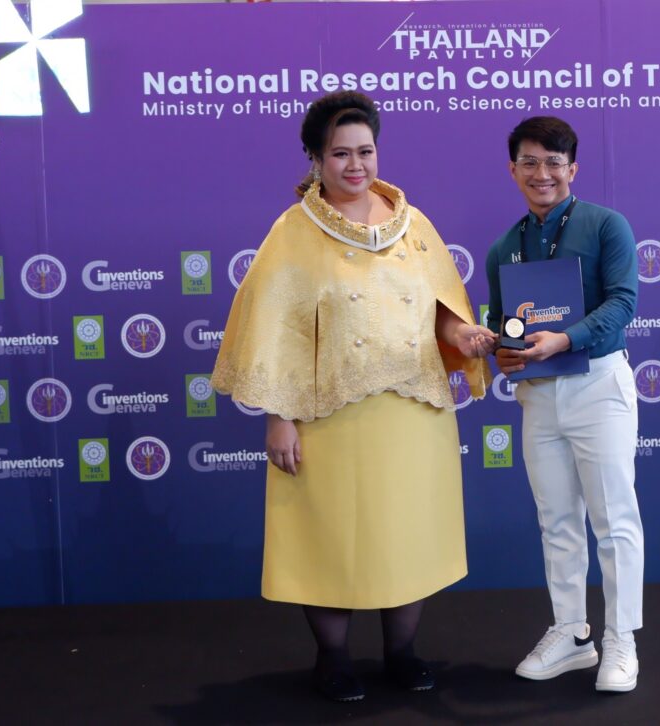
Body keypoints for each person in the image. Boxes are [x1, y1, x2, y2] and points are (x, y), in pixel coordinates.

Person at [212, 91, 495, 702]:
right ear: (316, 159)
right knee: (329, 538)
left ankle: (402, 653)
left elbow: (441, 311)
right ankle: (333, 658)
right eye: (340, 153)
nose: (355, 165)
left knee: (406, 533)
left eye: (365, 151)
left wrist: (463, 336)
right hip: (328, 415)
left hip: (412, 410)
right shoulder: (293, 232)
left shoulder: (414, 225)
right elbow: (274, 332)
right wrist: (279, 419)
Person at [485, 116, 644, 693]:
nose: (542, 173)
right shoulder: (505, 247)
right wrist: (504, 353)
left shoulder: (606, 226)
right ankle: (573, 635)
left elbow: (623, 302)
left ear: (572, 169)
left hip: (598, 384)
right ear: (513, 169)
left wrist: (566, 339)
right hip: (540, 394)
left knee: (613, 520)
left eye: (554, 162)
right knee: (556, 521)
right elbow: (506, 325)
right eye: (529, 162)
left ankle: (621, 639)